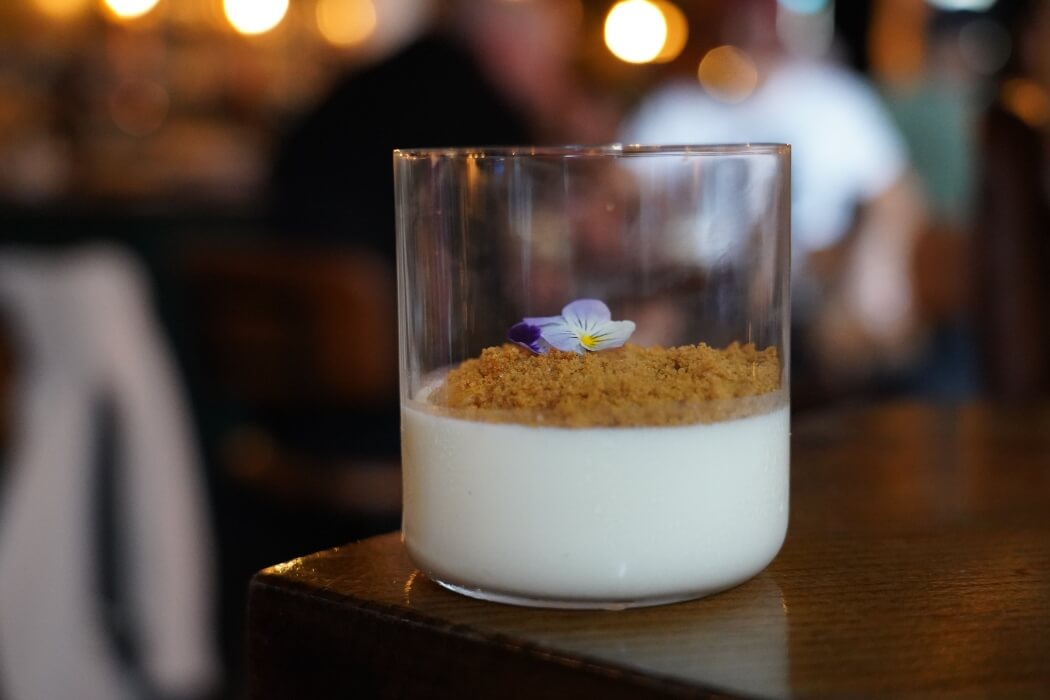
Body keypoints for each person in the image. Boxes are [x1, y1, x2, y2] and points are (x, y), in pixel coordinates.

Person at [623, 0, 927, 396]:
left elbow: (899, 198)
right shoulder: (676, 106)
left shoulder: (836, 98)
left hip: (815, 293)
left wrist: (869, 278)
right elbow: (617, 197)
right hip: (699, 296)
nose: (755, 25)